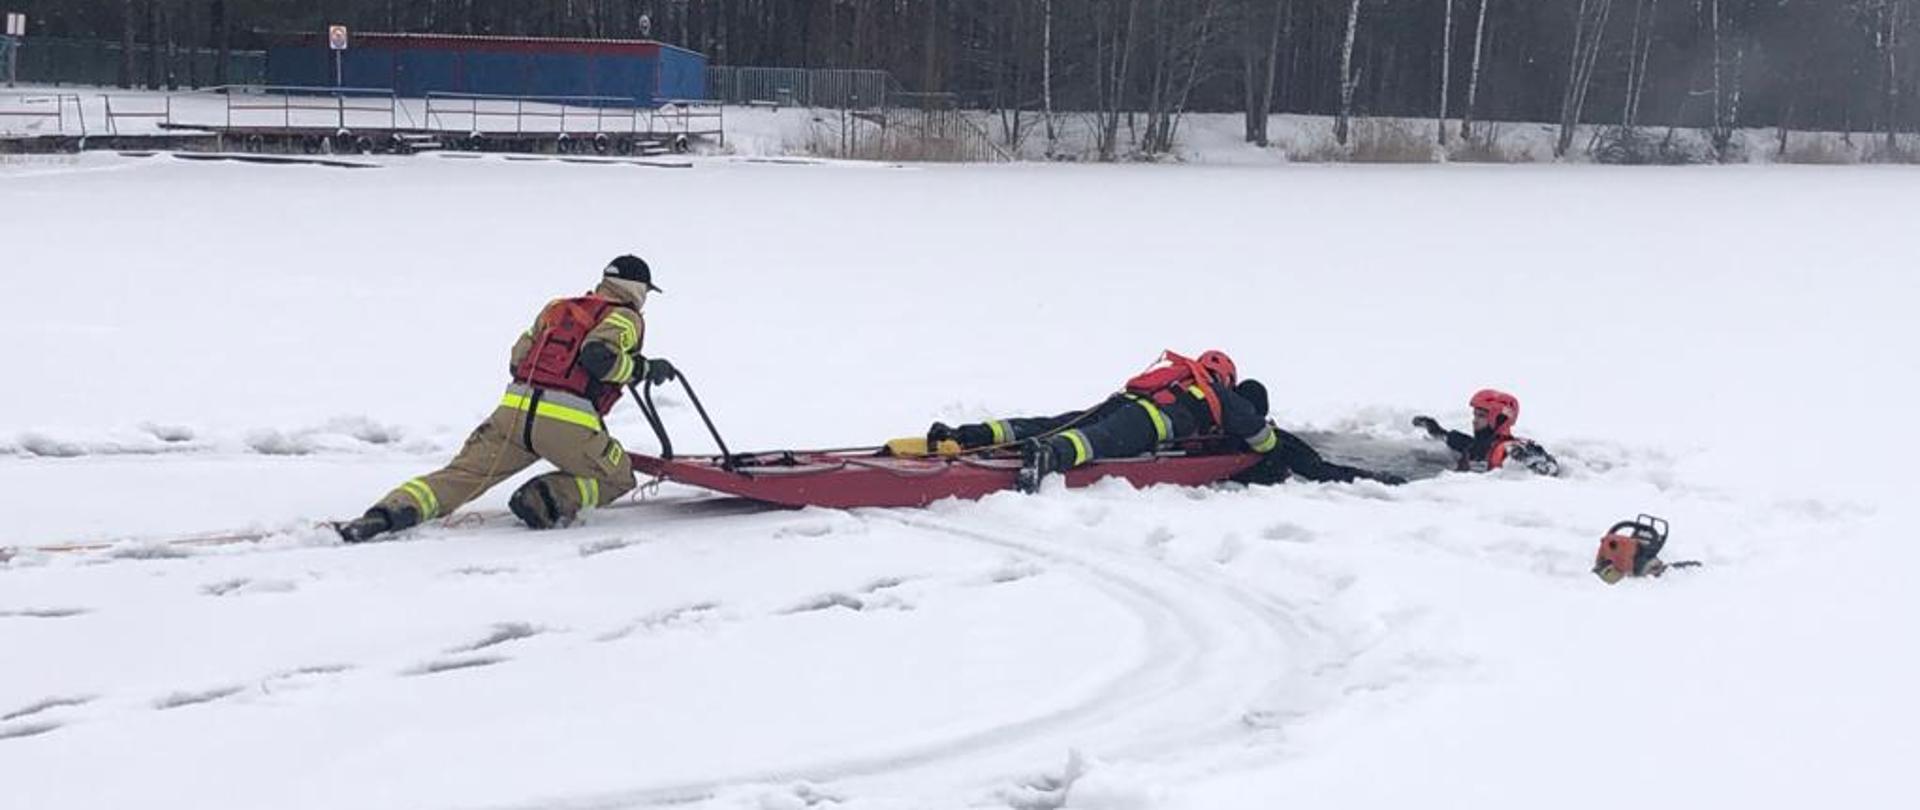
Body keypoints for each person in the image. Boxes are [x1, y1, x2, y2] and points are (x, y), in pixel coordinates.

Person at [333, 255, 679, 543]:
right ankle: (545, 498)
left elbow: (518, 358)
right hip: (567, 423)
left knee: (461, 475)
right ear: (638, 289)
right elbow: (598, 358)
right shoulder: (626, 316)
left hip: (512, 415)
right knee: (619, 476)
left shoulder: (557, 309)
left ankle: (385, 515)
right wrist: (643, 367)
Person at [927, 350, 1402, 493]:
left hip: (1125, 399)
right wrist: (1264, 438)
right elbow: (1258, 438)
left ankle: (966, 435)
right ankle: (1050, 458)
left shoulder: (1176, 376)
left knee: (1051, 421)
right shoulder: (1222, 395)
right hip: (1156, 423)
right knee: (1098, 440)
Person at [1412, 388, 1560, 476]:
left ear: (1500, 419)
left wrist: (1524, 455)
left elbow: (1548, 467)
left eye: (1481, 416)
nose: (1474, 420)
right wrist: (1432, 427)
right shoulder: (1472, 445)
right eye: (1475, 415)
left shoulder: (1507, 448)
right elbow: (1446, 437)